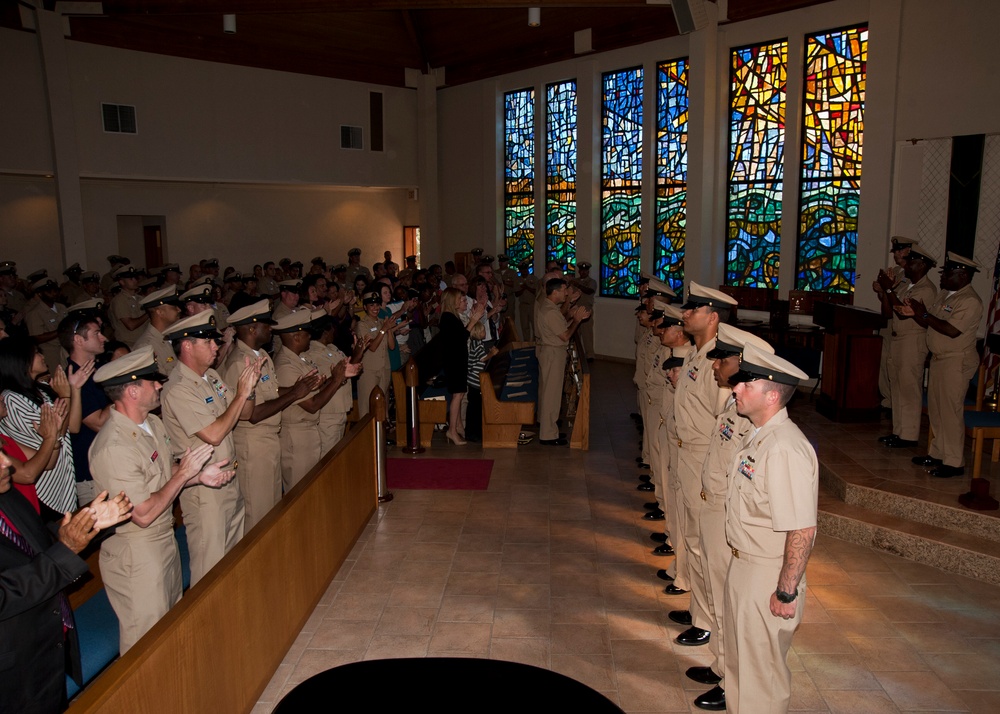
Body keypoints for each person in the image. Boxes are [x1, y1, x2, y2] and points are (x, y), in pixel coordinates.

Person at [90, 347, 232, 653]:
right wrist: (185, 476)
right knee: (148, 647)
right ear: (131, 391)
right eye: (151, 381)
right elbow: (141, 513)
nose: (158, 385)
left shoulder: (151, 424)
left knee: (172, 634)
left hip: (162, 540)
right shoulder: (114, 446)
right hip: (137, 551)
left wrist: (198, 475)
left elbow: (166, 473)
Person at [0, 449, 132, 714]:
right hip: (13, 674)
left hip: (45, 648)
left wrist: (89, 522)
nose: (7, 463)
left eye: (2, 452)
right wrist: (66, 549)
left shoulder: (8, 496)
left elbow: (41, 544)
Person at [722, 343, 816, 714]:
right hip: (744, 565)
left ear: (772, 394)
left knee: (762, 677)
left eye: (747, 384)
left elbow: (802, 529)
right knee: (741, 668)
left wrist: (786, 591)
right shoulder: (759, 435)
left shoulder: (785, 448)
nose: (735, 388)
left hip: (766, 574)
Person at [689, 324, 774, 712]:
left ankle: (730, 677)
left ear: (742, 364)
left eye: (722, 359)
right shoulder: (732, 403)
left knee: (727, 601)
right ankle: (723, 666)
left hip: (727, 514)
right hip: (714, 506)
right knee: (715, 587)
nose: (717, 366)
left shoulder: (755, 420)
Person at [160, 311, 259, 584]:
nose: (216, 347)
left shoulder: (212, 376)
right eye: (208, 342)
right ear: (188, 346)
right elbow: (214, 434)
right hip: (204, 490)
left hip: (228, 480)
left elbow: (246, 413)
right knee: (210, 568)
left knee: (232, 563)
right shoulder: (179, 388)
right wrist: (239, 394)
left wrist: (248, 390)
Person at [669, 282, 737, 650]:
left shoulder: (718, 362)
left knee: (703, 545)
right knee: (693, 538)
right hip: (687, 453)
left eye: (693, 309)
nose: (685, 313)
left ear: (713, 317)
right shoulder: (698, 355)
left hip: (701, 458)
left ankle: (710, 622)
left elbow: (723, 427)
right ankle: (701, 612)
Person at [903, 252, 984, 478]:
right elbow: (931, 323)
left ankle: (954, 462)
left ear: (963, 274)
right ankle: (938, 453)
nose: (942, 276)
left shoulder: (970, 301)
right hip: (940, 359)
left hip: (956, 360)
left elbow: (951, 329)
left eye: (948, 273)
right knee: (937, 410)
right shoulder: (945, 295)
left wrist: (925, 314)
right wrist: (916, 313)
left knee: (951, 411)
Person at [0, 336, 92, 516]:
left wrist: (75, 389)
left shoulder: (40, 389)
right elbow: (55, 430)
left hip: (62, 477)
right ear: (21, 361)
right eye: (36, 353)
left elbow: (72, 427)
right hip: (44, 486)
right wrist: (65, 396)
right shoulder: (11, 399)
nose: (42, 356)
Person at [873, 244, 937, 448]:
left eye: (912, 262)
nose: (907, 265)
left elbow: (901, 310)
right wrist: (886, 290)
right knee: (897, 387)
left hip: (912, 339)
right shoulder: (906, 284)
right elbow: (888, 312)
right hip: (898, 338)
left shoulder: (926, 289)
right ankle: (899, 431)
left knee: (909, 388)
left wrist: (889, 288)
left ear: (922, 265)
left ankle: (909, 435)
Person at [414, 287, 486, 445]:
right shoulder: (447, 318)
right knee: (457, 395)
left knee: (458, 395)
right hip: (454, 361)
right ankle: (452, 430)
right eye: (461, 299)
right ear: (453, 301)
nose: (464, 301)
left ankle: (459, 427)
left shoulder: (453, 317)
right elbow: (460, 339)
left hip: (458, 360)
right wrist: (474, 320)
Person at [59, 314, 111, 504]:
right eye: (97, 333)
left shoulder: (99, 370)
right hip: (91, 474)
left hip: (109, 462)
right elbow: (96, 422)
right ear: (79, 340)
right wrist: (121, 394)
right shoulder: (69, 379)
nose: (103, 338)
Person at [535, 278, 591, 446]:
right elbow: (565, 335)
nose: (566, 293)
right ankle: (548, 436)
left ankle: (550, 432)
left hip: (551, 351)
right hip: (552, 353)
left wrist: (571, 316)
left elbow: (559, 327)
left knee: (550, 394)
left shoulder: (549, 307)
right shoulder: (550, 311)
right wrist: (577, 320)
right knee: (551, 395)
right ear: (555, 292)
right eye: (564, 290)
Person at [131, 285, 183, 377]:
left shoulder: (172, 338)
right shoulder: (146, 346)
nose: (179, 310)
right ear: (160, 312)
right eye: (174, 306)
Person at [25, 276, 67, 374]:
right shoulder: (35, 313)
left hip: (65, 349)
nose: (54, 293)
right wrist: (60, 331)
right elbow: (36, 337)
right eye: (49, 291)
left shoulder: (61, 307)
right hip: (50, 353)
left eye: (55, 290)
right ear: (40, 294)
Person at [108, 265, 148, 347]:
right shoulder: (119, 300)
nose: (135, 281)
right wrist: (148, 313)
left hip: (143, 342)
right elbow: (130, 325)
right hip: (129, 344)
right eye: (131, 279)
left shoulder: (140, 298)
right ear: (122, 282)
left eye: (135, 278)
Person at [573, 261, 597, 360]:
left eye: (585, 270)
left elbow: (590, 290)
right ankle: (576, 353)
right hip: (575, 309)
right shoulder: (574, 281)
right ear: (579, 271)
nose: (583, 272)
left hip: (586, 308)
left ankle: (589, 354)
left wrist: (578, 285)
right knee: (575, 333)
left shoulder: (591, 282)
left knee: (587, 333)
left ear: (588, 271)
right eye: (581, 270)